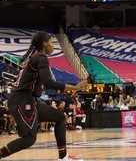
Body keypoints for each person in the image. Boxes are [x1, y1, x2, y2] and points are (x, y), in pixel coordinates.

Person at [0, 31, 88, 161]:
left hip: (28, 99)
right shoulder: (40, 58)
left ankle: (63, 158)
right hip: (22, 100)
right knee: (29, 139)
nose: (54, 46)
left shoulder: (36, 58)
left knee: (60, 118)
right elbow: (48, 82)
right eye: (52, 42)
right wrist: (75, 87)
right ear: (44, 44)